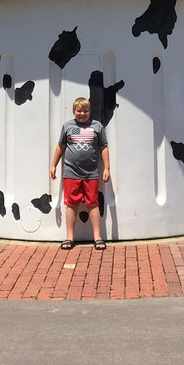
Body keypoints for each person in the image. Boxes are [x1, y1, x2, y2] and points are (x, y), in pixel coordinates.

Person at [50, 96, 110, 250]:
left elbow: (103, 147)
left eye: (85, 111)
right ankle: (69, 237)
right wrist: (53, 165)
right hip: (71, 173)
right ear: (74, 111)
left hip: (91, 173)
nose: (82, 114)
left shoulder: (97, 127)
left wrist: (107, 168)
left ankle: (97, 237)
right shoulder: (68, 126)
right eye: (79, 111)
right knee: (71, 204)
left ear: (90, 112)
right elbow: (60, 146)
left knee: (93, 203)